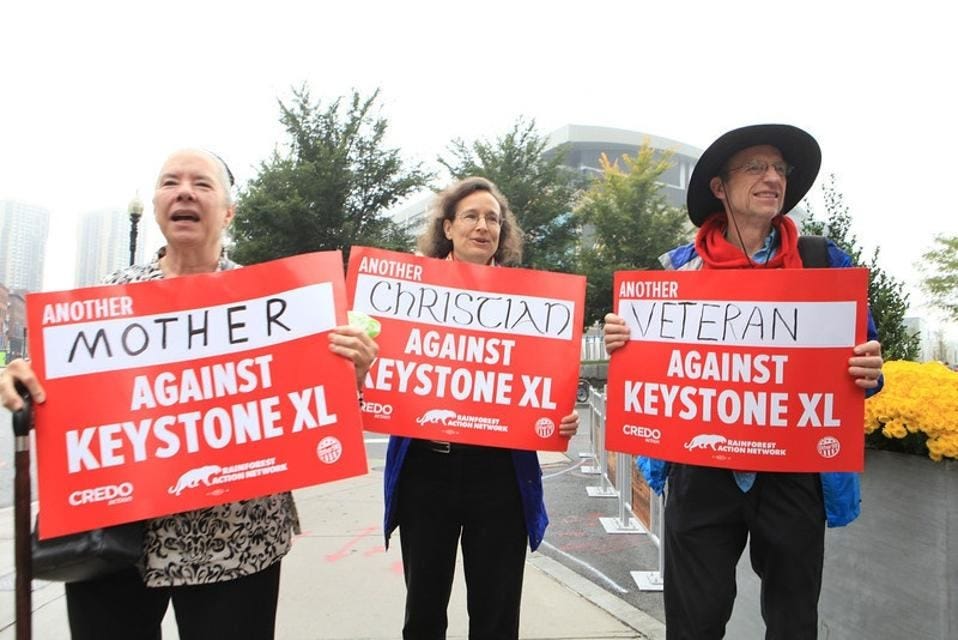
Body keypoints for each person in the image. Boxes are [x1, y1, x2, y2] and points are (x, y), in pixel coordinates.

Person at [0, 148, 378, 640]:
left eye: (201, 183)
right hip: (112, 548)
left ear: (227, 211)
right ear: (157, 205)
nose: (183, 191)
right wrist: (21, 379)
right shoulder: (103, 299)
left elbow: (315, 414)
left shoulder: (274, 300)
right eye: (169, 182)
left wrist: (353, 375)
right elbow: (69, 399)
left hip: (238, 544)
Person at [603, 124, 885, 640]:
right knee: (694, 619)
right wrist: (624, 341)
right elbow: (649, 370)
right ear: (719, 187)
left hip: (795, 467)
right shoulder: (674, 276)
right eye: (756, 167)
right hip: (700, 466)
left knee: (794, 619)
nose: (772, 177)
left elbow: (864, 362)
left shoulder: (825, 265)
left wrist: (870, 369)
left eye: (779, 169)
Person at [382, 177, 580, 640]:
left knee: (496, 613)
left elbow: (545, 387)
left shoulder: (531, 300)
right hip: (426, 474)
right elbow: (381, 373)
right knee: (424, 612)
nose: (483, 225)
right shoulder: (408, 295)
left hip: (499, 477)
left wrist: (557, 418)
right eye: (471, 216)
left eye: (493, 218)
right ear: (448, 227)